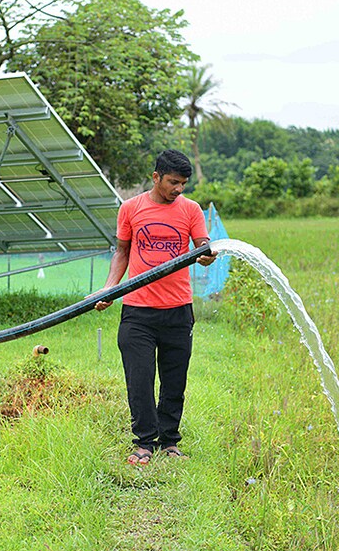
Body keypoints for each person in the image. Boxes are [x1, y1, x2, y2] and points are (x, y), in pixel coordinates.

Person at [95, 149, 217, 465]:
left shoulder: (191, 210)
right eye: (173, 182)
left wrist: (204, 252)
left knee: (174, 379)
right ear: (156, 177)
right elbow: (122, 252)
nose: (178, 189)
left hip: (178, 309)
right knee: (140, 379)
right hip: (138, 311)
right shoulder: (130, 209)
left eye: (183, 184)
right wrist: (111, 288)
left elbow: (202, 244)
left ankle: (170, 442)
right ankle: (144, 443)